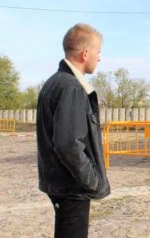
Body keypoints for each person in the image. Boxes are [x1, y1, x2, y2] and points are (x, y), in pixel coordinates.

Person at [36, 23, 111, 238]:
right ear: (85, 53)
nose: (99, 58)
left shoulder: (54, 82)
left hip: (62, 184)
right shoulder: (70, 86)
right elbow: (68, 144)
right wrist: (91, 180)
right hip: (72, 187)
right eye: (98, 52)